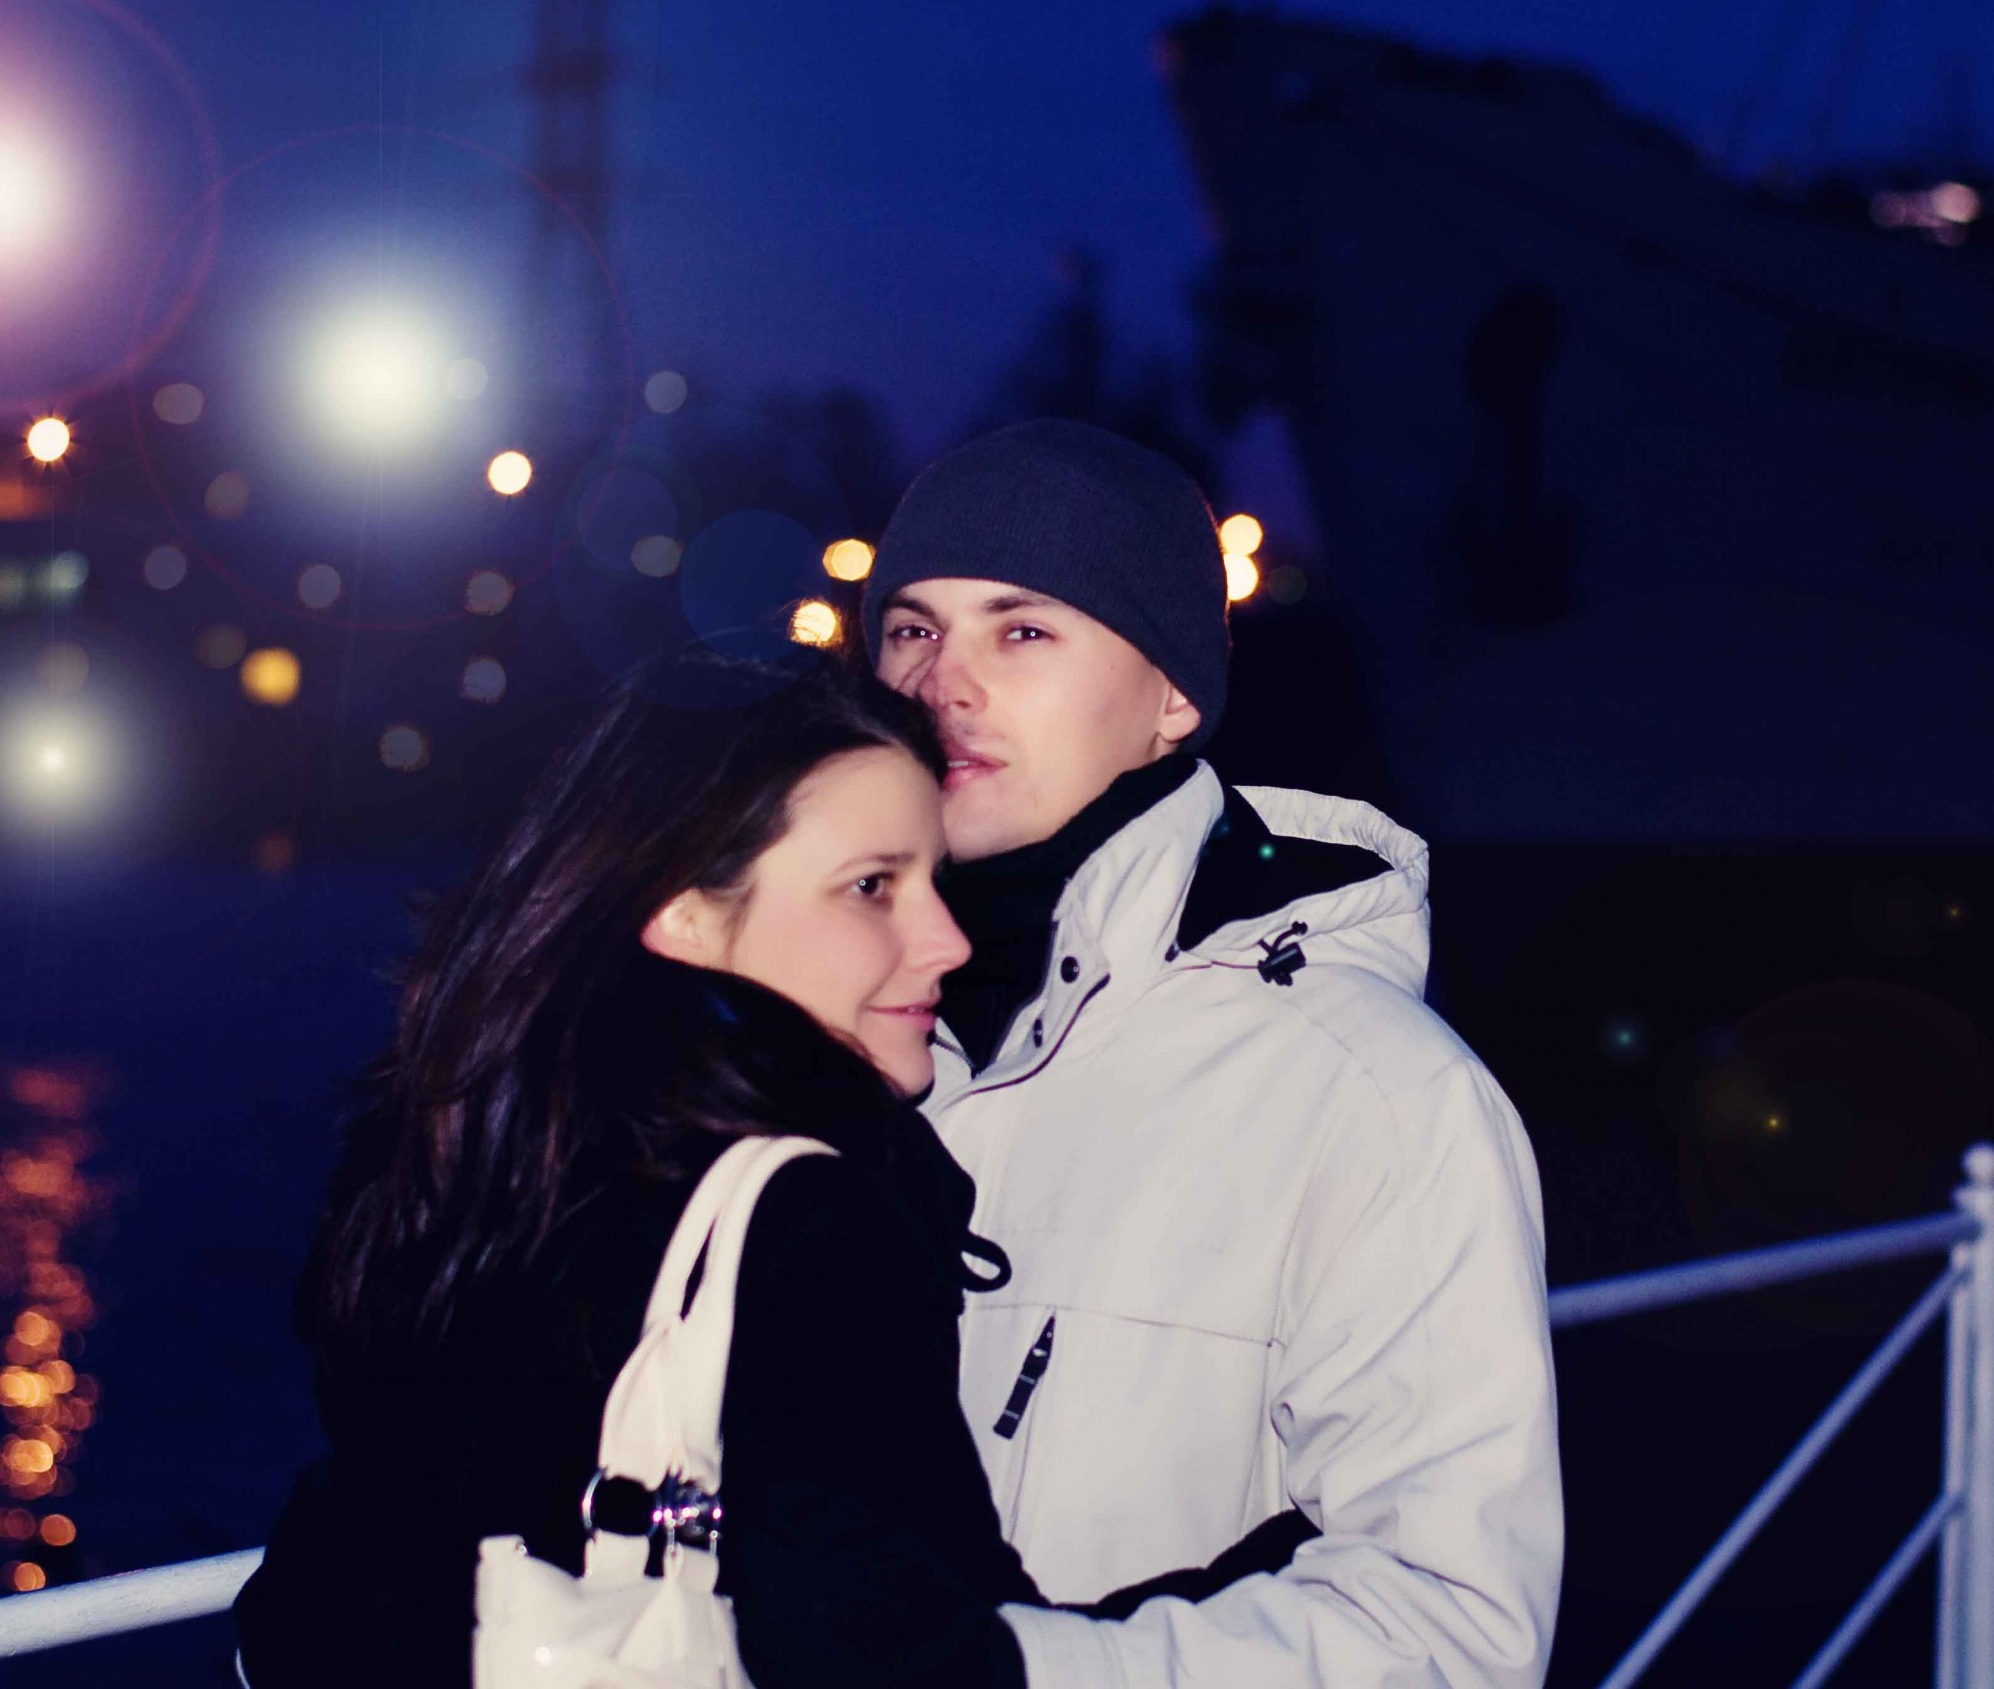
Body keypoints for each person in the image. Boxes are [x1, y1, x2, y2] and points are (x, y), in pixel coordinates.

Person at [233, 649, 1302, 1689]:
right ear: (684, 914)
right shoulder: (800, 1221)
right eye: (871, 887)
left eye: (935, 880)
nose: (947, 940)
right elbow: (909, 1653)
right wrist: (1285, 1578)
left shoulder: (459, 1162)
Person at [867, 419, 1563, 1688]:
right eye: (912, 629)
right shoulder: (815, 1037)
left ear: (1173, 697)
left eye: (1023, 631)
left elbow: (1448, 1632)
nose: (940, 683)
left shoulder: (1372, 1093)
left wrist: (1009, 1673)